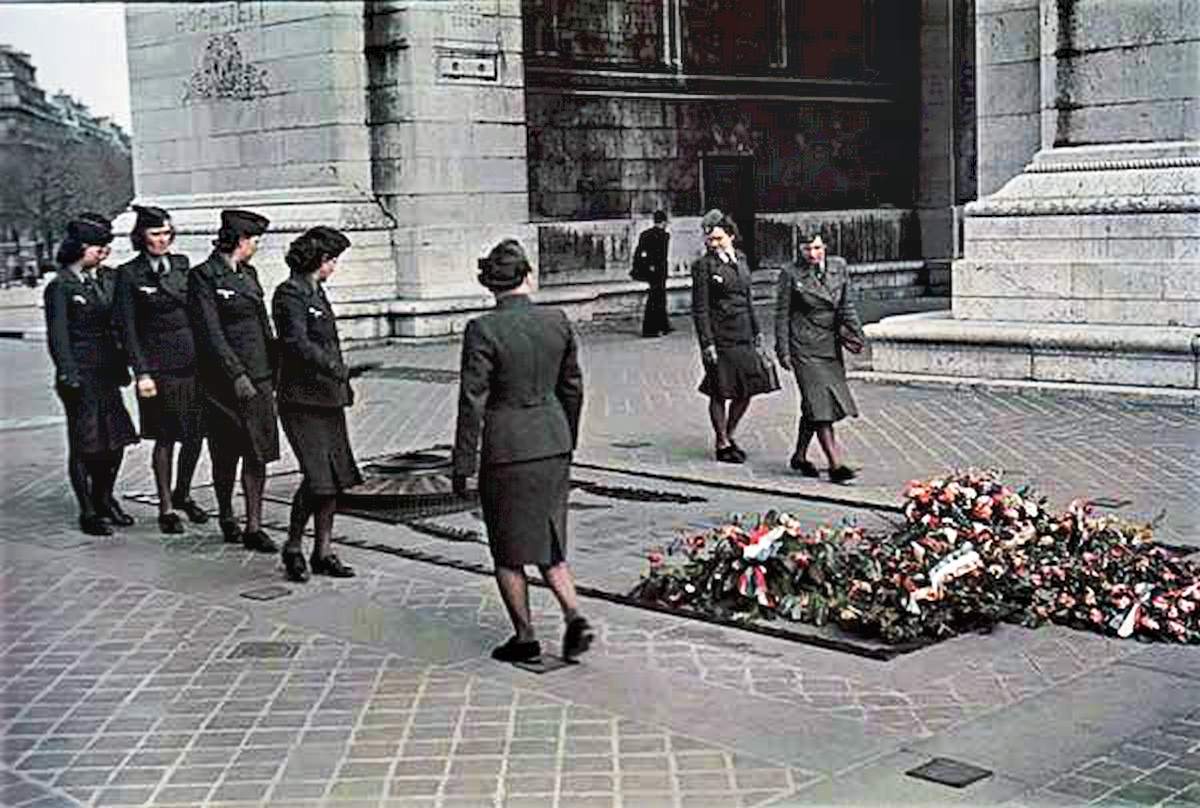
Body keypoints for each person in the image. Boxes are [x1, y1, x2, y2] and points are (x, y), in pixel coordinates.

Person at [452, 239, 593, 664]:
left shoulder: (483, 329)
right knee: (550, 539)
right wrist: (564, 435)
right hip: (551, 442)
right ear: (528, 276)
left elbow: (472, 400)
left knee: (509, 549)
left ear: (489, 285)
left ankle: (526, 634)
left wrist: (463, 463)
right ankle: (573, 614)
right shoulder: (557, 320)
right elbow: (573, 387)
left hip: (507, 449)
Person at [272, 226, 362, 582]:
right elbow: (296, 343)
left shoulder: (316, 291)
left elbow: (330, 342)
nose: (334, 266)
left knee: (335, 480)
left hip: (327, 398)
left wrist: (343, 384)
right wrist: (336, 369)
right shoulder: (289, 294)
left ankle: (323, 551)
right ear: (319, 259)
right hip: (300, 400)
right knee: (317, 478)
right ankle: (293, 546)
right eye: (332, 259)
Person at [114, 205, 209, 534]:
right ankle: (166, 506)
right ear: (141, 236)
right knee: (166, 437)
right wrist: (142, 373)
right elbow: (127, 329)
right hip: (158, 368)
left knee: (196, 435)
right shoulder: (128, 274)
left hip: (192, 362)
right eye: (155, 234)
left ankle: (183, 493)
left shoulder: (181, 265)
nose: (162, 240)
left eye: (167, 233)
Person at [188, 209, 278, 552]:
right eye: (254, 240)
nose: (255, 246)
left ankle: (254, 525)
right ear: (240, 240)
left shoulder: (249, 273)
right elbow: (211, 333)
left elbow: (263, 325)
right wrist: (235, 373)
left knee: (258, 452)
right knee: (226, 452)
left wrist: (274, 369)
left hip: (259, 377)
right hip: (224, 382)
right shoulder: (203, 277)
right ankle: (227, 514)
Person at [44, 215, 139, 536]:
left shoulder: (105, 280)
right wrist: (68, 373)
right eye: (98, 247)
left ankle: (104, 497)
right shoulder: (60, 287)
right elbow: (58, 336)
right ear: (79, 248)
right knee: (86, 444)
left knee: (115, 442)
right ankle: (88, 510)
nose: (104, 252)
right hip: (80, 376)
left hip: (108, 375)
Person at [773, 233, 865, 483]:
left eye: (816, 248)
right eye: (806, 249)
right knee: (821, 405)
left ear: (824, 246)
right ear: (799, 250)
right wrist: (782, 350)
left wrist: (857, 335)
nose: (812, 254)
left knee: (813, 405)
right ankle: (836, 464)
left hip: (829, 345)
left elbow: (846, 305)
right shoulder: (790, 273)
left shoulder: (838, 267)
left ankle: (799, 456)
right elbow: (781, 314)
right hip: (803, 346)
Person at [690, 208, 769, 464]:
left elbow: (749, 299)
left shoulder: (742, 260)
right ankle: (722, 441)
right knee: (719, 390)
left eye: (718, 238)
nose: (714, 244)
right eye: (710, 240)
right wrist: (707, 343)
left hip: (744, 332)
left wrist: (757, 333)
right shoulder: (703, 266)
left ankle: (730, 432)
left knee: (746, 389)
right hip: (720, 336)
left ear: (731, 236)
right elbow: (700, 308)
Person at [634, 210, 672, 337]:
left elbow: (639, 253)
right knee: (657, 299)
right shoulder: (664, 236)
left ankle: (662, 325)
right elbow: (663, 256)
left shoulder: (644, 234)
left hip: (649, 271)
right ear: (664, 222)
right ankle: (652, 328)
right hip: (660, 271)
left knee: (657, 297)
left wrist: (645, 267)